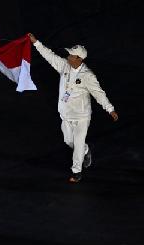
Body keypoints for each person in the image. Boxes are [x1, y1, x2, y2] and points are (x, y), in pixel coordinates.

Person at [28, 34, 118, 183]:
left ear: (79, 59)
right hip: (65, 114)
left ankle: (77, 172)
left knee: (78, 143)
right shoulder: (64, 65)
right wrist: (36, 42)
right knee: (69, 141)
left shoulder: (88, 76)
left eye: (71, 55)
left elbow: (99, 93)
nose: (68, 57)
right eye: (69, 54)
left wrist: (110, 108)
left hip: (81, 116)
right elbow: (50, 56)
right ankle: (86, 150)